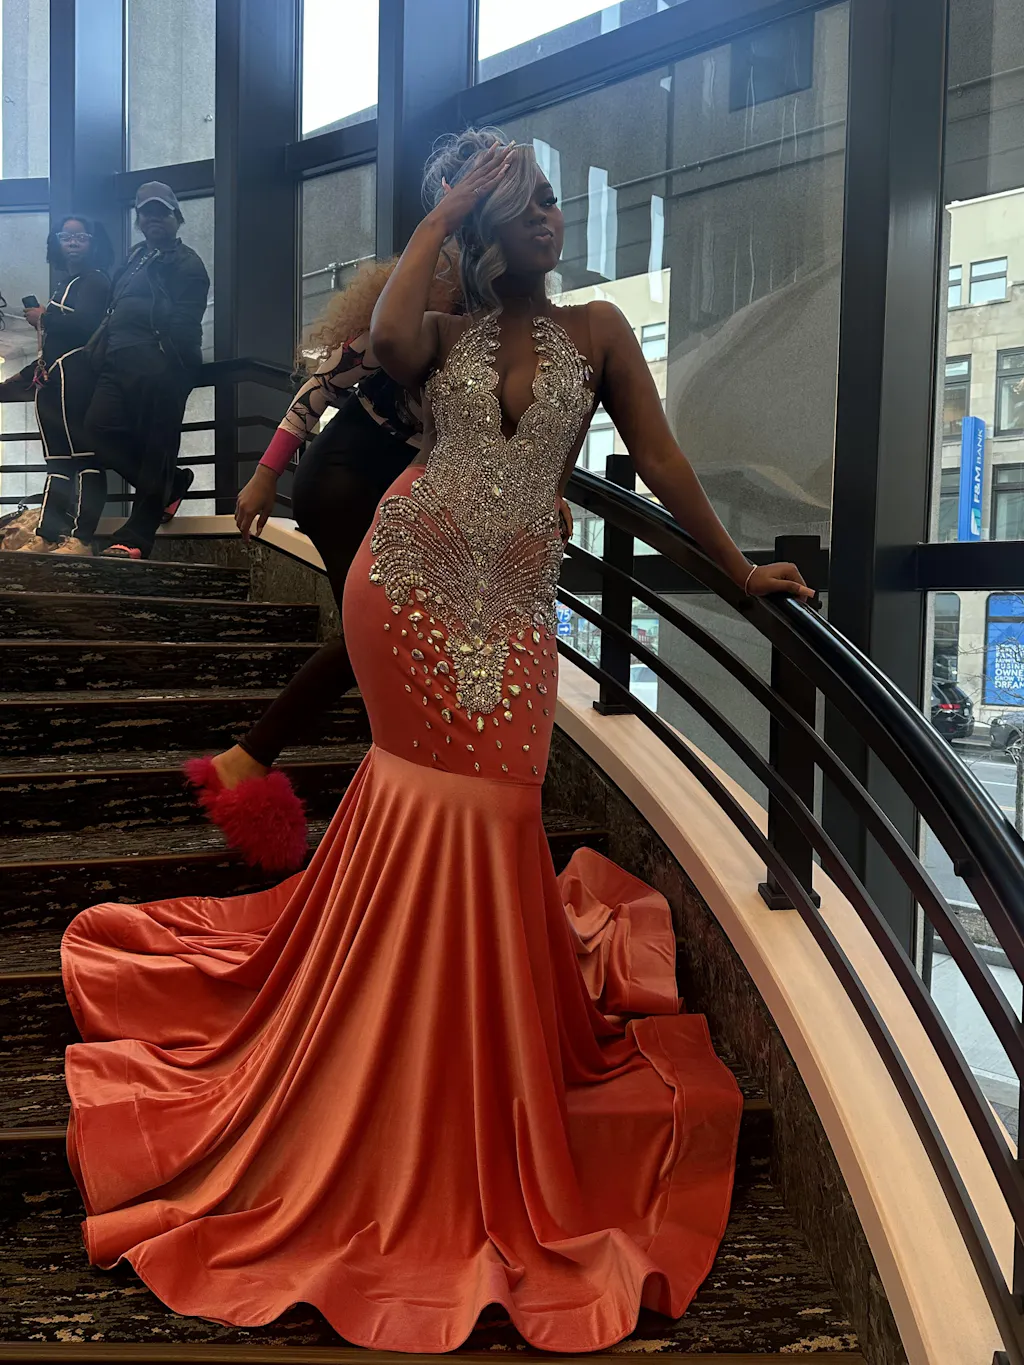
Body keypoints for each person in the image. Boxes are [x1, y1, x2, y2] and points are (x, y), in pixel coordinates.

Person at [61, 130, 813, 1353]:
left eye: (552, 200)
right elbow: (386, 332)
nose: (548, 217)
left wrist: (737, 575)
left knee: (496, 815)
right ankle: (397, 1047)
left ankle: (466, 1049)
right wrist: (439, 215)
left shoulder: (602, 332)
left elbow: (663, 458)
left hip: (511, 611)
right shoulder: (440, 335)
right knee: (419, 802)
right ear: (479, 225)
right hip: (405, 581)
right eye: (523, 204)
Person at [187, 251, 574, 871]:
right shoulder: (407, 330)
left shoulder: (491, 343)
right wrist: (264, 476)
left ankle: (377, 781)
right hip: (345, 478)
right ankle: (253, 759)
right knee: (376, 636)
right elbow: (314, 394)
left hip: (405, 490)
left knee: (395, 640)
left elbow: (500, 434)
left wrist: (547, 488)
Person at [82, 181, 210, 559]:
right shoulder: (135, 256)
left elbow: (187, 324)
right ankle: (172, 485)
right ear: (139, 219)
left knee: (158, 449)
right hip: (116, 362)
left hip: (161, 366)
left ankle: (137, 538)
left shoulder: (187, 263)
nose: (154, 218)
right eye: (146, 212)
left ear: (176, 217)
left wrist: (170, 364)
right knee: (97, 430)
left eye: (162, 212)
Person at [0, 215, 113, 554]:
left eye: (82, 236)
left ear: (94, 243)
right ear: (57, 243)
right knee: (59, 463)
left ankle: (82, 538)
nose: (73, 242)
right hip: (54, 381)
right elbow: (56, 344)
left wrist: (44, 317)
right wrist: (23, 376)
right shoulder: (67, 283)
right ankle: (48, 535)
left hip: (79, 380)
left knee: (87, 459)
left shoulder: (95, 280)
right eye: (66, 236)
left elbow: (89, 325)